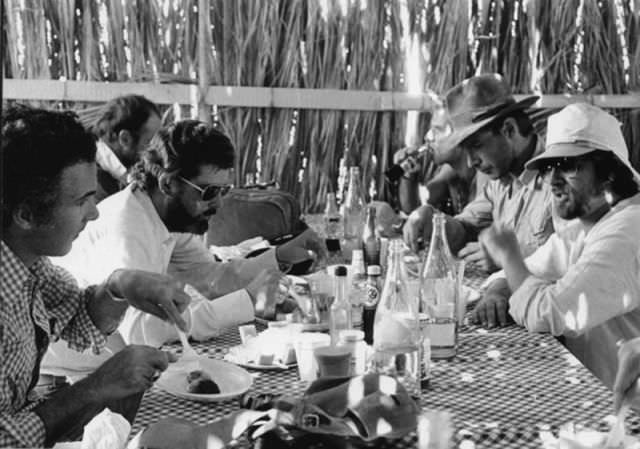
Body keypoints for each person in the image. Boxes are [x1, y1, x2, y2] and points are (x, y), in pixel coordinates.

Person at [43, 119, 324, 381]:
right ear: (168, 183)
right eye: (209, 193)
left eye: (224, 191)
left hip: (118, 365)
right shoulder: (128, 228)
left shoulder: (169, 218)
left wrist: (280, 256)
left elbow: (211, 277)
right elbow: (142, 331)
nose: (218, 205)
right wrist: (248, 301)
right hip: (70, 378)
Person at [0, 104, 191, 446]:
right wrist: (97, 387)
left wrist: (119, 285)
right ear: (26, 215)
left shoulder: (29, 264)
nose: (94, 212)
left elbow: (75, 315)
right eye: (81, 201)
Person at [477, 103, 640, 392]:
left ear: (609, 172)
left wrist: (509, 254)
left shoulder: (628, 230)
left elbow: (551, 313)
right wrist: (498, 289)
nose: (552, 181)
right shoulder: (589, 224)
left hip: (628, 417)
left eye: (569, 165)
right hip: (595, 393)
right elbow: (530, 270)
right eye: (549, 167)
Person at [403, 73, 558, 272]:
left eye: (476, 145)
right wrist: (434, 220)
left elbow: (576, 254)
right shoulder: (500, 182)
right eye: (465, 151)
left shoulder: (560, 178)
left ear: (508, 130)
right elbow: (466, 228)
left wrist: (509, 258)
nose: (470, 161)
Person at [393, 102, 487, 217]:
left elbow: (479, 223)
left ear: (460, 134)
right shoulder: (450, 172)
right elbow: (414, 209)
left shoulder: (486, 173)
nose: (428, 137)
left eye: (437, 130)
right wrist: (409, 175)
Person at [93, 94, 162, 201]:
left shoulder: (113, 176)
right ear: (125, 139)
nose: (157, 152)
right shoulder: (94, 184)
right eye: (150, 143)